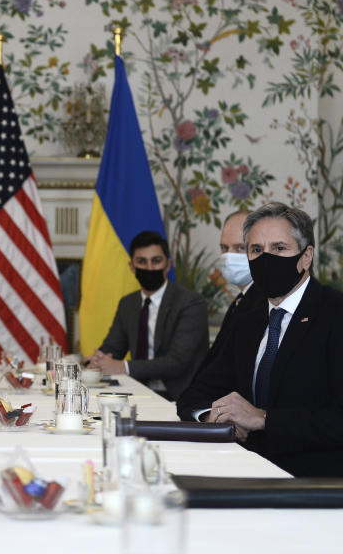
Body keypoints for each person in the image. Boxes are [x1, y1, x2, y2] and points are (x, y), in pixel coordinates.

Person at [177, 203, 343, 477]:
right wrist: (215, 417)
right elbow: (197, 392)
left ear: (306, 256)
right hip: (245, 471)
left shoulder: (334, 315)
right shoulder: (248, 317)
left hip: (314, 484)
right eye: (256, 250)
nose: (267, 259)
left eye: (279, 248)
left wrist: (262, 419)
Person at [89, 230, 208, 401]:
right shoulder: (127, 303)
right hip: (136, 393)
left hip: (180, 397)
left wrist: (123, 367)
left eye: (156, 261)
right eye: (142, 262)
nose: (150, 268)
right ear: (132, 267)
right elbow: (112, 349)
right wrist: (97, 360)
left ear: (168, 265)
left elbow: (177, 363)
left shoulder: (191, 303)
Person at [192, 210, 265, 376]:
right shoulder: (240, 301)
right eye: (224, 248)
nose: (229, 256)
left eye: (240, 247)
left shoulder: (267, 304)